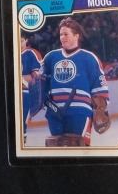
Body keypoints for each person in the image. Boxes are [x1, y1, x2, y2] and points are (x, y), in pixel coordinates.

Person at [40, 17, 110, 146]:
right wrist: (42, 100)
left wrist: (100, 109)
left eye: (66, 34)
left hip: (79, 111)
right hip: (54, 111)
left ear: (76, 36)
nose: (62, 37)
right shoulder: (50, 57)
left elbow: (99, 86)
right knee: (57, 150)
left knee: (78, 147)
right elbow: (40, 82)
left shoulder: (89, 58)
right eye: (61, 34)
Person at [21, 34, 44, 142]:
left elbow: (35, 75)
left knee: (22, 122)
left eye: (21, 40)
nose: (19, 43)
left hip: (24, 92)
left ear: (26, 40)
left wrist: (21, 78)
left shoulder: (31, 53)